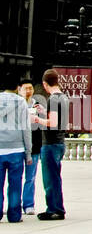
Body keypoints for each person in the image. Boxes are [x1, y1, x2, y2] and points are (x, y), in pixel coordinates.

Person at [34, 69, 69, 220]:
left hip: (51, 143)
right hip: (60, 142)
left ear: (45, 83)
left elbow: (52, 123)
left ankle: (54, 209)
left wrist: (36, 119)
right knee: (55, 177)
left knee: (50, 179)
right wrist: (43, 112)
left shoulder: (53, 99)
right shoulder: (63, 97)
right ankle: (57, 207)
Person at [0, 81, 32, 223]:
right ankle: (14, 215)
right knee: (15, 184)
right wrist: (28, 152)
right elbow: (26, 129)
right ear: (17, 87)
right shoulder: (21, 102)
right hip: (16, 149)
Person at [20, 82, 39, 216]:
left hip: (34, 146)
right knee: (14, 178)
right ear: (19, 89)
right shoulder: (16, 104)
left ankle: (28, 204)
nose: (28, 91)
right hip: (17, 146)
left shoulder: (37, 105)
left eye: (30, 88)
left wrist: (40, 115)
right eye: (26, 88)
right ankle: (13, 204)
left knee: (30, 177)